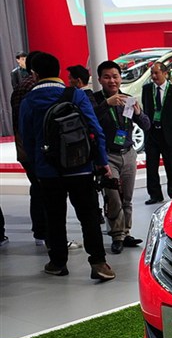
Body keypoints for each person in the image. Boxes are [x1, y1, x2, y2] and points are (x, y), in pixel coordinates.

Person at [19, 52, 116, 281]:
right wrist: (102, 162)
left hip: (48, 171)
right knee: (89, 216)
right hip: (81, 166)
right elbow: (95, 130)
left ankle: (58, 263)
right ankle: (99, 263)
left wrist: (37, 165)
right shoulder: (75, 95)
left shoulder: (29, 101)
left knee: (54, 217)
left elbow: (27, 138)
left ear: (35, 74)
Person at [93, 60, 151, 254]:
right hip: (107, 156)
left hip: (128, 153)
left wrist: (139, 113)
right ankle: (117, 235)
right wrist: (105, 104)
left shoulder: (128, 99)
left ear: (120, 78)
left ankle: (126, 233)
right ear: (100, 79)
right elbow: (88, 121)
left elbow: (146, 125)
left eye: (115, 76)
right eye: (107, 77)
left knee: (127, 197)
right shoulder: (95, 100)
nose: (112, 81)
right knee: (113, 198)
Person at [10, 50, 48, 246]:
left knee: (38, 189)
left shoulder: (21, 86)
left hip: (25, 148)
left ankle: (41, 233)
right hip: (35, 148)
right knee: (44, 189)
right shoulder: (34, 88)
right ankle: (47, 235)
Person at [142, 62, 172, 204]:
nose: (154, 76)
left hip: (168, 133)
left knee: (171, 165)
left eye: (157, 73)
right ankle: (155, 194)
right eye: (152, 73)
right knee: (151, 165)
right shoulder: (147, 90)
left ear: (165, 73)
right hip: (152, 133)